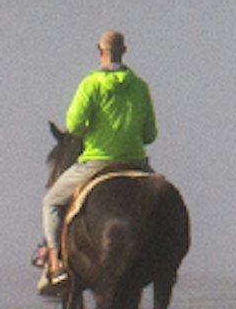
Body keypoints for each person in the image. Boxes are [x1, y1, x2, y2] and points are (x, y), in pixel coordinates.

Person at [39, 31, 156, 275]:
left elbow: (74, 127)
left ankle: (55, 263)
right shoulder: (140, 86)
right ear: (124, 51)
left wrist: (91, 130)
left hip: (97, 162)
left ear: (100, 51)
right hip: (136, 162)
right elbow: (150, 135)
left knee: (50, 202)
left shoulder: (90, 84)